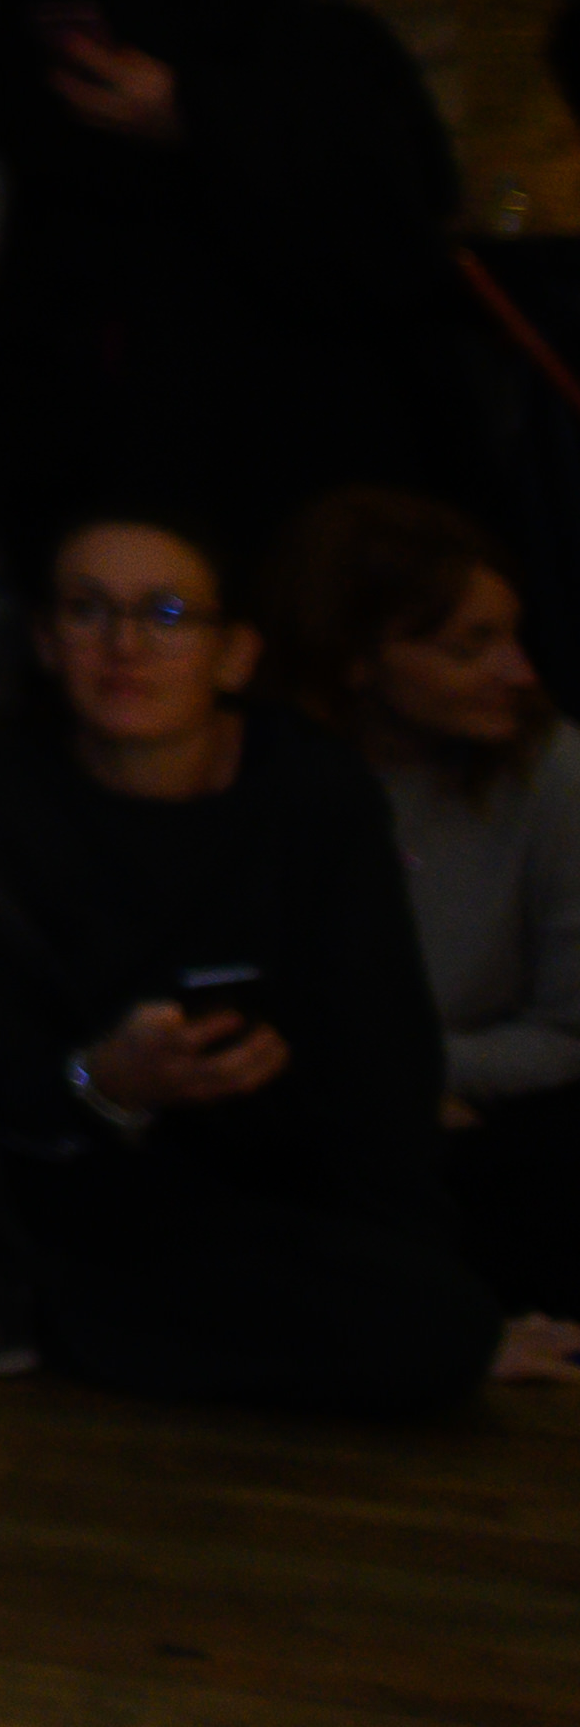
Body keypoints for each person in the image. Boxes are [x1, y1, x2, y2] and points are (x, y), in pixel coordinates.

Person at [0, 510, 564, 1408]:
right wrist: (103, 1083)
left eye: (168, 615)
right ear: (44, 641)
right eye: (87, 610)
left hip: (245, 1188)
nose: (125, 646)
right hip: (67, 1180)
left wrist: (412, 1263)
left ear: (234, 655)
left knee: (445, 1315)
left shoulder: (311, 793)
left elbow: (379, 1049)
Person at [0, 0, 470, 569]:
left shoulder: (335, 43)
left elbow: (403, 217)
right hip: (123, 423)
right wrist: (247, 148)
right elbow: (80, 176)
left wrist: (187, 118)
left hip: (320, 422)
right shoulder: (56, 23)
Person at [267, 485, 580, 1310]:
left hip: (494, 1121)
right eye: (469, 646)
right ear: (357, 660)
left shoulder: (552, 771)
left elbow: (570, 1030)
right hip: (316, 1120)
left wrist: (406, 1075)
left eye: (513, 634)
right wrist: (391, 1088)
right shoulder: (277, 781)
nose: (519, 671)